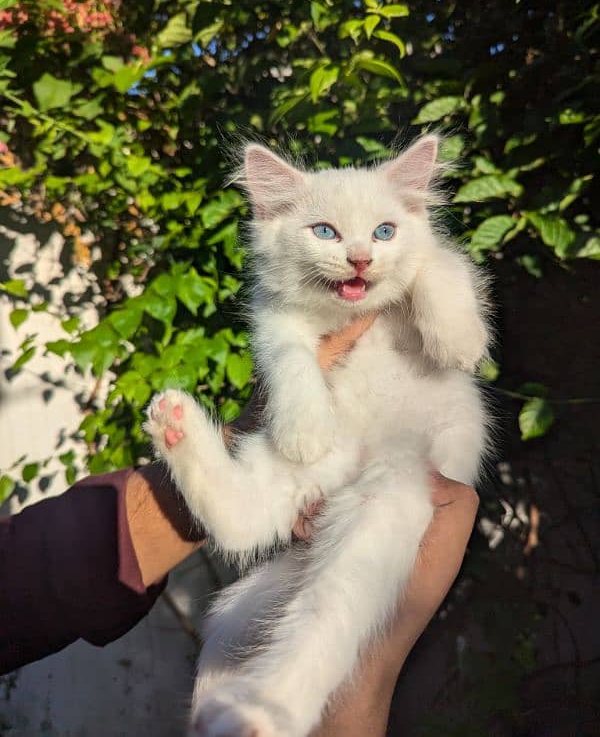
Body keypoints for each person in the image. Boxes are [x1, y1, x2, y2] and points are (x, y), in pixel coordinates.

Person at [0, 315, 479, 736]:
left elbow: (460, 334)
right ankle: (233, 506)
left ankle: (287, 697)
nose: (357, 256)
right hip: (333, 442)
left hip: (404, 449)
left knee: (351, 559)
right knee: (237, 621)